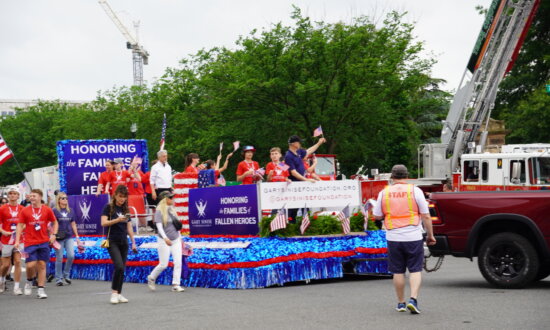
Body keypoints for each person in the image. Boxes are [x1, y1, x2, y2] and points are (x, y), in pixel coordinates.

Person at [373, 165, 436, 314]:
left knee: (398, 271)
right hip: (413, 235)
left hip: (393, 236)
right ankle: (413, 299)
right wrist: (430, 235)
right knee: (415, 269)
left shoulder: (384, 192)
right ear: (407, 176)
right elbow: (426, 215)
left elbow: (376, 216)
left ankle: (401, 303)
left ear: (392, 177)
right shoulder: (415, 191)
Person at [15, 189, 58, 299]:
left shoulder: (47, 209)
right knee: (30, 265)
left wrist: (54, 234)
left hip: (44, 241)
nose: (32, 197)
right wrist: (17, 240)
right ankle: (29, 281)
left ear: (40, 197)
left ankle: (41, 289)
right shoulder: (25, 210)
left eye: (34, 196)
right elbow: (20, 225)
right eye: (31, 196)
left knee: (42, 265)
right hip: (29, 242)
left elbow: (55, 222)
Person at [100, 185, 137, 304]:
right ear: (115, 195)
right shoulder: (109, 207)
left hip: (123, 241)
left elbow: (129, 226)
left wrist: (133, 242)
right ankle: (114, 293)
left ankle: (119, 293)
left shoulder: (126, 209)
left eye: (124, 197)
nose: (122, 199)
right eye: (120, 196)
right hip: (112, 240)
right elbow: (103, 223)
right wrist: (117, 220)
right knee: (119, 266)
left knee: (122, 268)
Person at [146, 191, 185, 292]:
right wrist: (165, 238)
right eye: (170, 198)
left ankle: (176, 284)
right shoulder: (159, 211)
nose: (173, 199)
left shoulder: (172, 210)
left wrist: (180, 239)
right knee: (164, 264)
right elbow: (159, 226)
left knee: (178, 262)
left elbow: (176, 226)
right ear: (165, 199)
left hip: (175, 239)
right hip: (164, 240)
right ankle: (151, 277)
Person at [52, 192, 81, 286]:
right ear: (59, 200)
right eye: (63, 198)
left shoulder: (70, 210)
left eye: (66, 198)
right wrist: (52, 235)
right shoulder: (54, 210)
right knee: (59, 258)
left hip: (68, 236)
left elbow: (73, 223)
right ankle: (58, 278)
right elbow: (51, 224)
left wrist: (77, 236)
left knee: (71, 255)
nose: (65, 200)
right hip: (59, 237)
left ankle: (66, 274)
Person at [0, 187, 24, 295]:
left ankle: (17, 287)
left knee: (18, 261)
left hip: (19, 239)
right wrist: (3, 231)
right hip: (6, 239)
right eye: (11, 193)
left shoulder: (23, 208)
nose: (13, 195)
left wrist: (21, 229)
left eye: (15, 193)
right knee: (6, 265)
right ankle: (2, 280)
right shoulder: (2, 208)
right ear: (8, 196)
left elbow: (26, 223)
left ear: (18, 196)